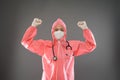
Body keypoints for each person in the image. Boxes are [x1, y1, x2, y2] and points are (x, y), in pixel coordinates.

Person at [21, 18, 96, 80]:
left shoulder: (71, 46)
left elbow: (91, 45)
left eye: (61, 29)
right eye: (56, 29)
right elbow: (26, 41)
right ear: (52, 31)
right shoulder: (45, 46)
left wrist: (85, 29)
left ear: (65, 32)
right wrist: (33, 26)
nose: (59, 31)